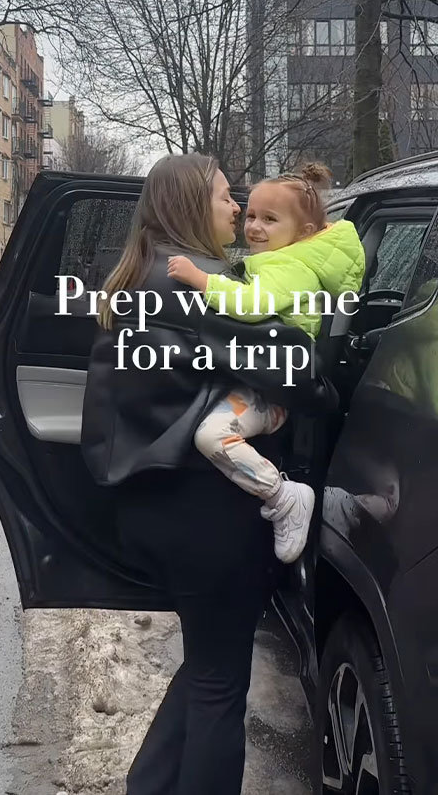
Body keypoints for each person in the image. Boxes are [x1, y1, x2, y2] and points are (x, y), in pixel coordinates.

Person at [80, 153, 336, 795]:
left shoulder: (139, 276)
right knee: (222, 685)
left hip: (152, 505)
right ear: (194, 204)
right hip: (207, 512)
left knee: (206, 668)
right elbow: (296, 371)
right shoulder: (196, 285)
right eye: (227, 197)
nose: (236, 208)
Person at [166, 163, 364, 563]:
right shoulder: (287, 259)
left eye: (270, 220)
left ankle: (283, 497)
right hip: (265, 379)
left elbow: (252, 306)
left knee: (212, 436)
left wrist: (200, 279)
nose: (254, 226)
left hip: (271, 392)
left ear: (304, 233)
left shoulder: (290, 267)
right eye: (252, 215)